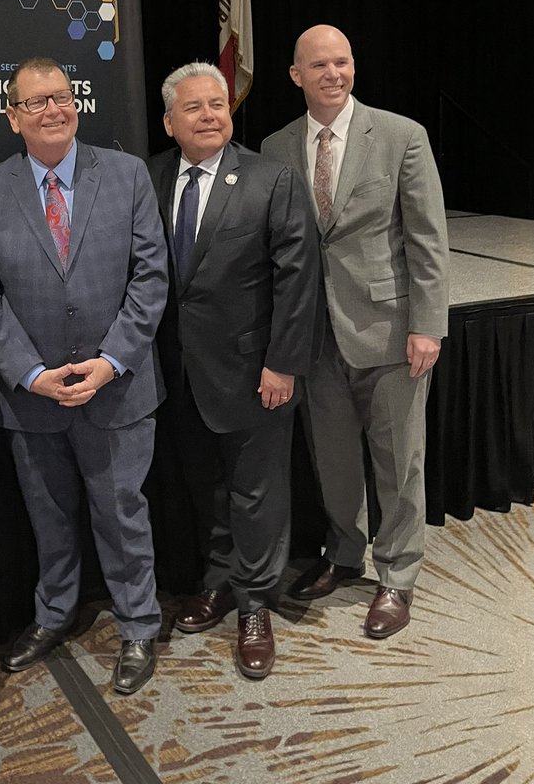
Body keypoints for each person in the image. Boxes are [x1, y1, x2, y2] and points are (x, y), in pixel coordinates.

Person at [0, 56, 168, 695]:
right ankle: (54, 614)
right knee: (48, 518)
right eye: (36, 101)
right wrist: (29, 374)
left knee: (121, 515)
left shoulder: (128, 174)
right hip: (33, 400)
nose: (52, 109)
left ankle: (139, 623)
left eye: (61, 96)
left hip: (118, 390)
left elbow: (150, 278)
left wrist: (110, 362)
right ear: (12, 116)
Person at [263, 25, 449, 638]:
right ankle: (345, 555)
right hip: (315, 340)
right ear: (296, 75)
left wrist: (428, 324)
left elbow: (426, 239)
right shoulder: (275, 146)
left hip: (392, 332)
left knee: (399, 462)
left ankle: (397, 575)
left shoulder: (401, 136)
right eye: (318, 65)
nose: (332, 74)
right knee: (335, 463)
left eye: (341, 62)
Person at [148, 62, 319, 679]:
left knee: (256, 495)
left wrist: (282, 363)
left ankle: (255, 605)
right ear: (170, 122)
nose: (210, 115)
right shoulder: (151, 175)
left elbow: (299, 281)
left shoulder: (272, 178)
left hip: (256, 374)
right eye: (193, 108)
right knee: (207, 489)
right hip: (179, 377)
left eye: (217, 104)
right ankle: (219, 582)